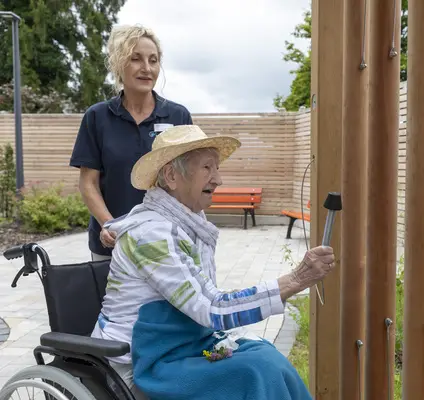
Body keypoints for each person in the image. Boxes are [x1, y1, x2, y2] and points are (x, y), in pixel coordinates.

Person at [91, 124, 336, 400]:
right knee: (256, 371)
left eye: (216, 168)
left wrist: (111, 226)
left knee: (266, 357)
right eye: (207, 167)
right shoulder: (152, 235)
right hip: (142, 362)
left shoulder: (183, 222)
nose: (218, 179)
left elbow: (128, 221)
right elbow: (212, 308)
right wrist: (296, 279)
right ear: (171, 176)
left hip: (182, 343)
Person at [69, 24, 193, 262]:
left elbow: (190, 181)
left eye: (153, 60)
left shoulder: (178, 117)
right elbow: (88, 183)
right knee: (111, 300)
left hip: (166, 243)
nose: (147, 68)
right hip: (111, 244)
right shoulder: (97, 117)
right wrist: (109, 224)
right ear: (118, 63)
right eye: (136, 59)